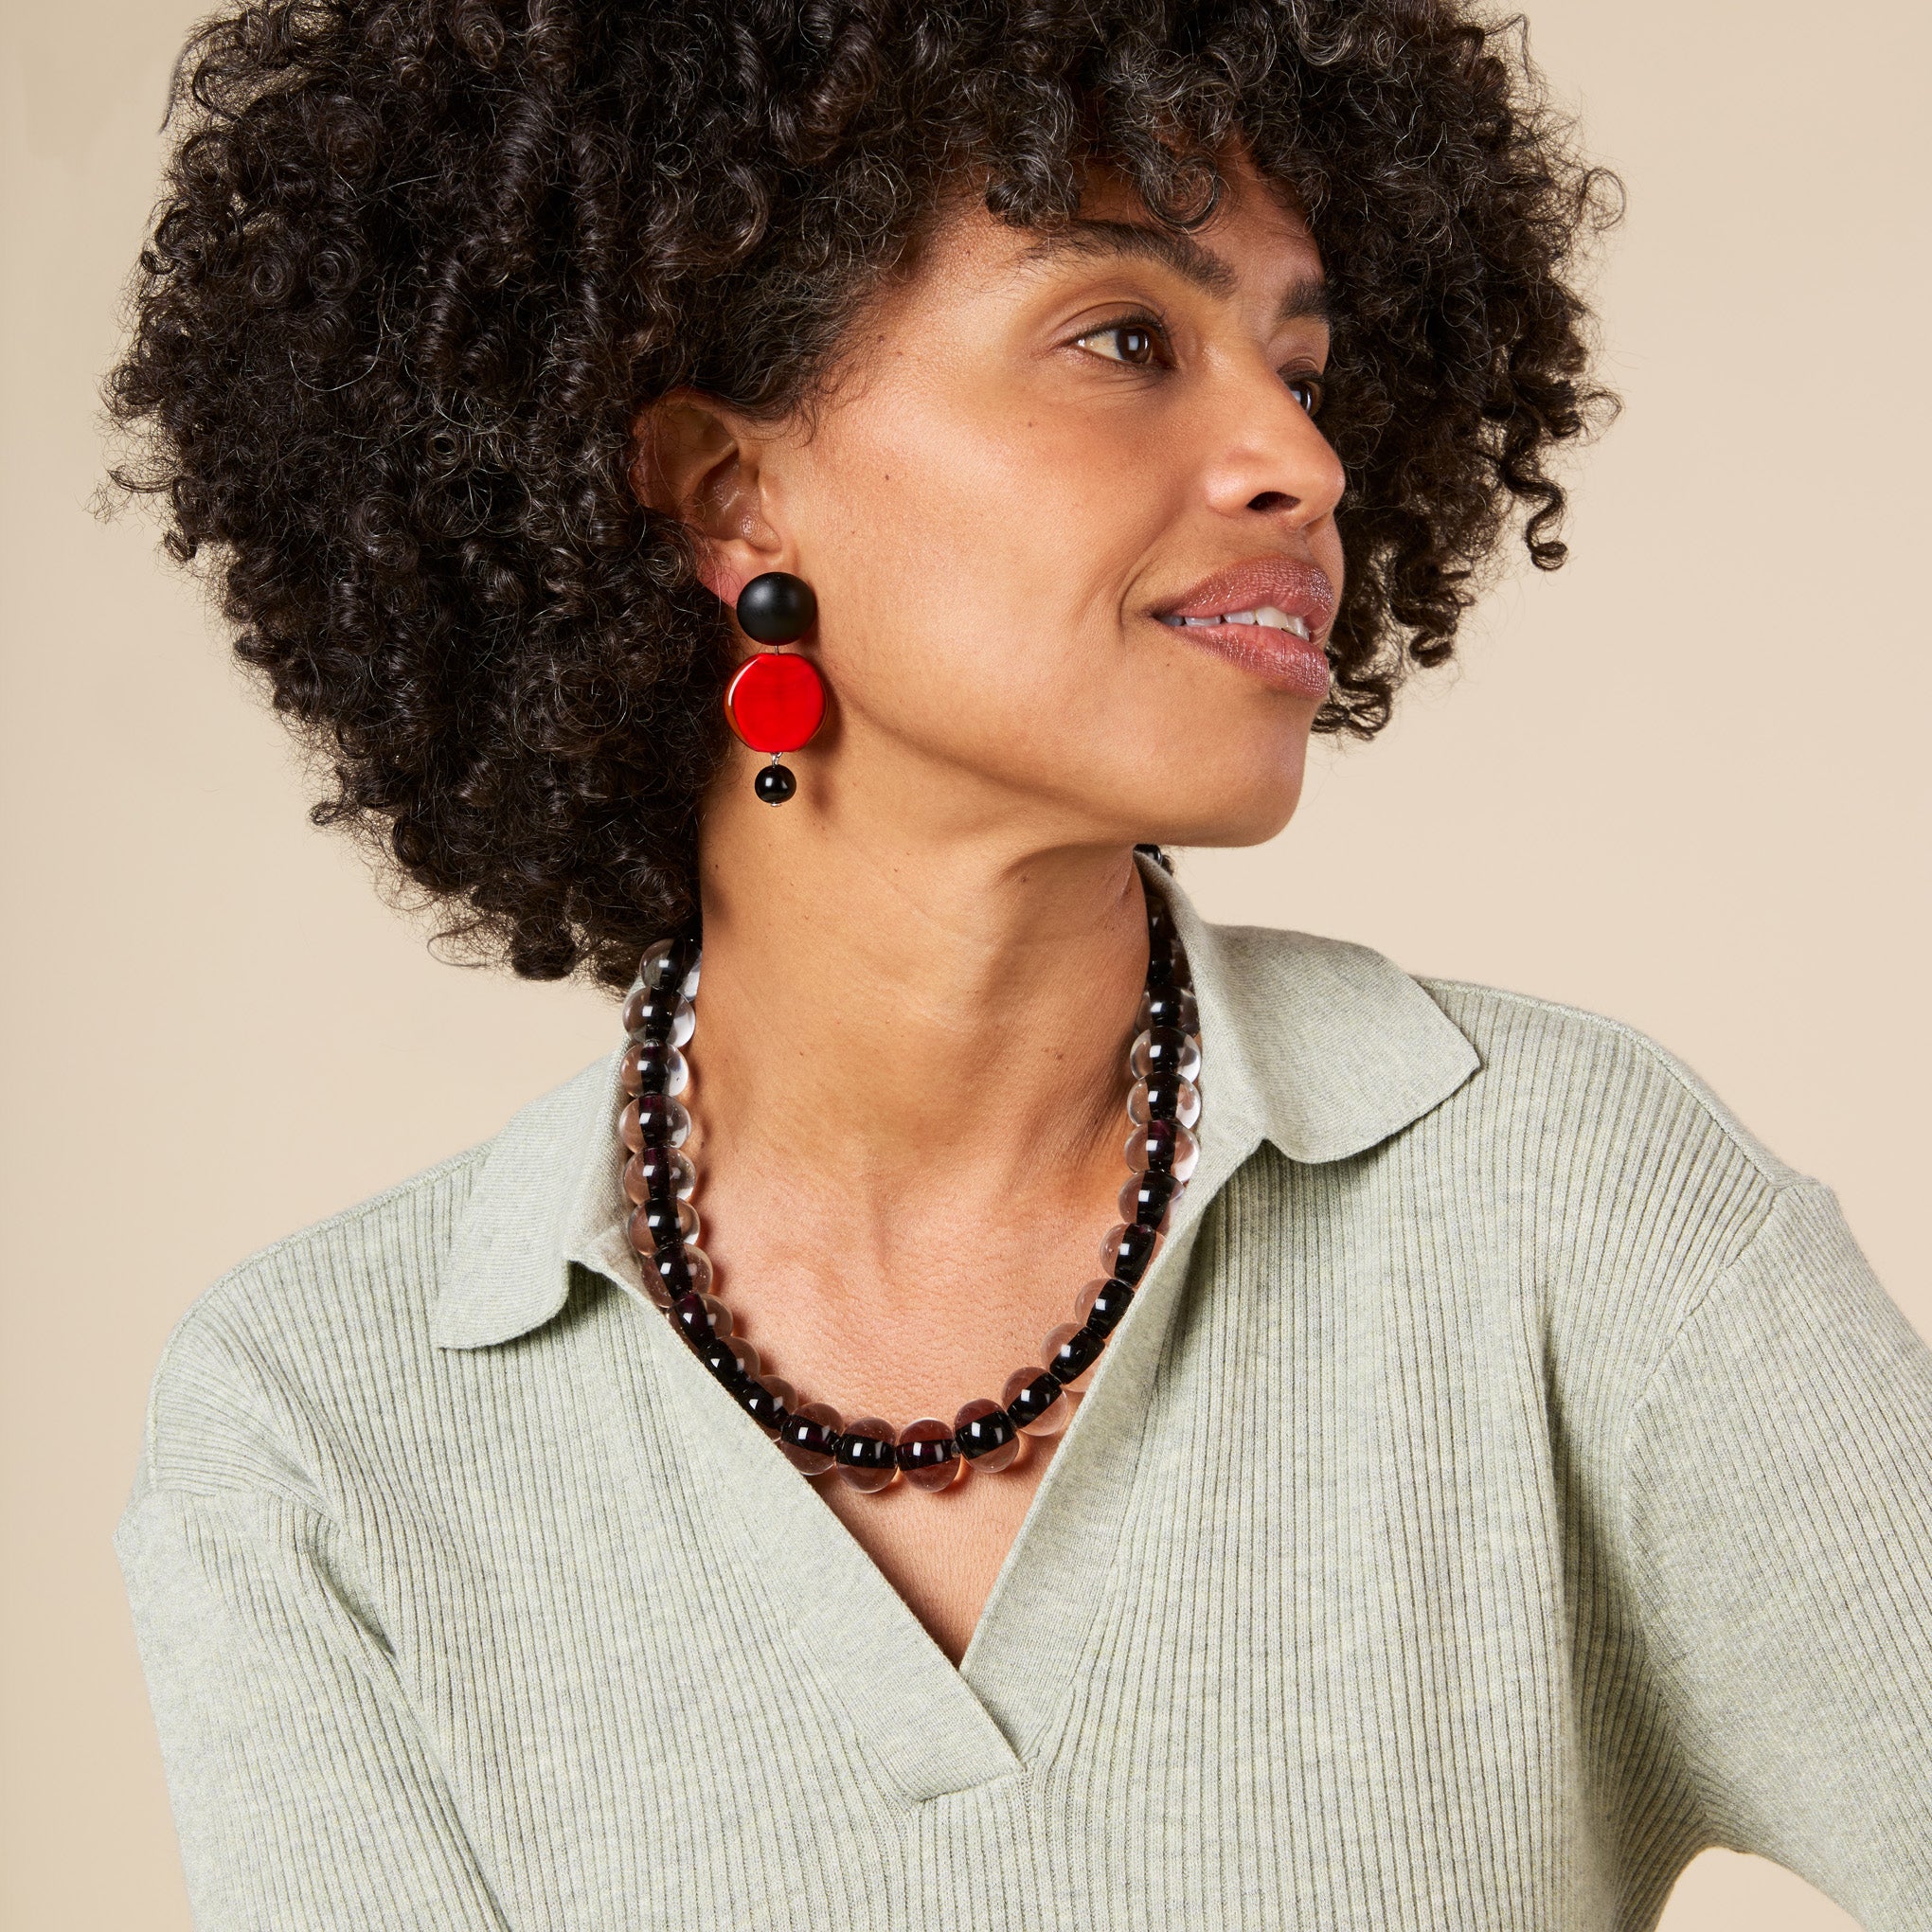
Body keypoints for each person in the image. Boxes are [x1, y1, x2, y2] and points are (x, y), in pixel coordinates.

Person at [106, 1, 1932, 1926]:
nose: (1299, 460)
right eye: (1125, 339)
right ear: (727, 491)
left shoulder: (1571, 1212)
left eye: (1304, 368)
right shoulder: (323, 1426)